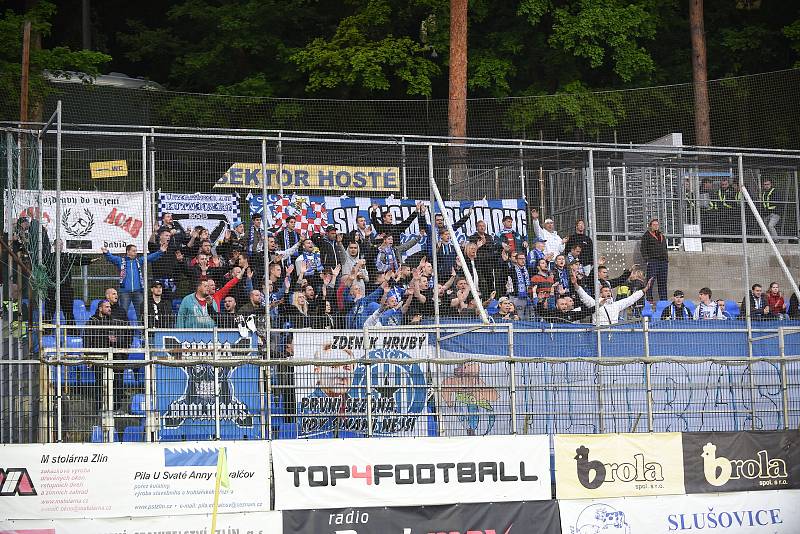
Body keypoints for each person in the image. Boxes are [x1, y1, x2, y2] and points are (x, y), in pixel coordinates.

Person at [101, 242, 167, 323]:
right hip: (125, 292)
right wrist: (106, 253)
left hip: (138, 292)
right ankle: (123, 331)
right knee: (123, 312)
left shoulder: (139, 261)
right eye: (134, 251)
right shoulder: (121, 261)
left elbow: (149, 257)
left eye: (136, 251)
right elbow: (111, 258)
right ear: (128, 252)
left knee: (141, 313)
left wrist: (160, 251)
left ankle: (143, 333)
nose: (136, 252)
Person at [575, 278, 653, 326]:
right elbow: (584, 296)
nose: (608, 293)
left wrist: (645, 290)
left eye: (609, 291)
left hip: (613, 333)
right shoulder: (594, 304)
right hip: (599, 333)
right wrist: (575, 284)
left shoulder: (616, 305)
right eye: (605, 291)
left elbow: (631, 299)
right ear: (600, 293)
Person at [640, 218, 668, 302]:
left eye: (657, 225)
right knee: (650, 281)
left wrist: (666, 259)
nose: (656, 226)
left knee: (662, 282)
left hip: (663, 261)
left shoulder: (661, 235)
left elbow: (665, 247)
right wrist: (647, 260)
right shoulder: (647, 236)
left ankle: (664, 301)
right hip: (653, 261)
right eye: (654, 225)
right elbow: (643, 249)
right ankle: (649, 300)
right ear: (650, 226)